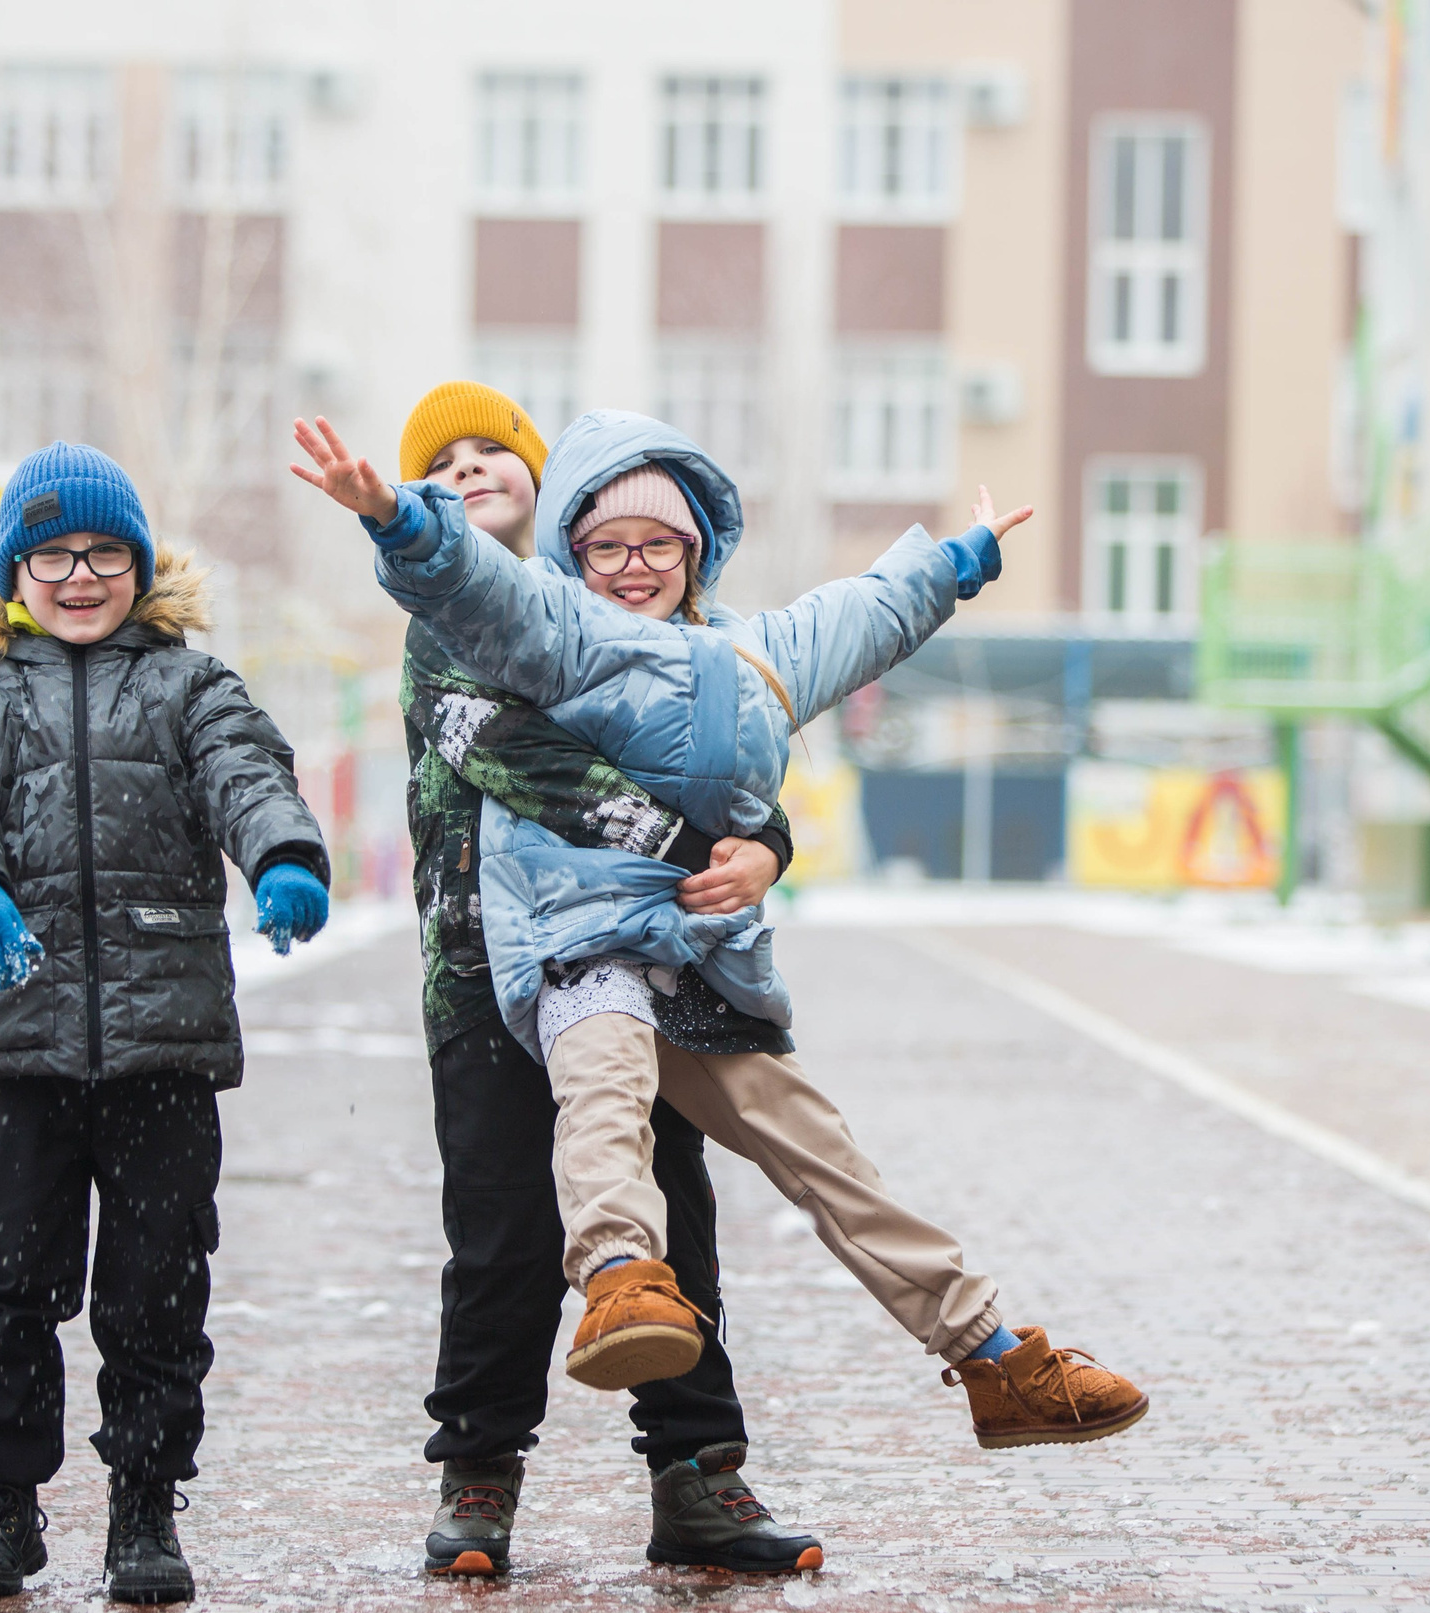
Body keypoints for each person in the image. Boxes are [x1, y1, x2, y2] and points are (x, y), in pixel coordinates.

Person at [295, 408, 1150, 1454]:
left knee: (818, 1148)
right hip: (579, 939)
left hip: (697, 958)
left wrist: (962, 559)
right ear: (574, 552)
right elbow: (474, 583)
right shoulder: (558, 631)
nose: (633, 565)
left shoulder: (751, 651)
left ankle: (989, 1353)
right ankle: (617, 1279)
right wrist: (393, 517)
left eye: (658, 543)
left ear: (694, 549)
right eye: (607, 546)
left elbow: (863, 615)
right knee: (602, 1100)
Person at [389, 382, 823, 1578]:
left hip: (643, 957)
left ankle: (697, 1478)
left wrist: (762, 846)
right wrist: (689, 848)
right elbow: (516, 756)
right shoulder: (451, 620)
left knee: (672, 1217)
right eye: (445, 460)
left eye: (496, 452)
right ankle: (479, 1477)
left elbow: (726, 758)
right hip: (483, 970)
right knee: (502, 1231)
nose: (471, 470)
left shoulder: (622, 607)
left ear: (549, 488)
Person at [0, 441, 331, 1606]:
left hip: (162, 1045)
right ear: (12, 571)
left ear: (140, 566)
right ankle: (3, 1508)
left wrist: (280, 853)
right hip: (23, 1039)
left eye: (103, 554)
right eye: (52, 555)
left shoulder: (192, 687)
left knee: (155, 1287)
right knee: (10, 1283)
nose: (78, 578)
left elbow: (250, 772)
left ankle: (144, 1509)